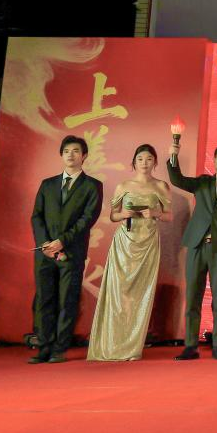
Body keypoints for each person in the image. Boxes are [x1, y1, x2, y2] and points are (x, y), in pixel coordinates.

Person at [87, 144, 171, 361]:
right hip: (124, 244)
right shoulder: (123, 186)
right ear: (133, 162)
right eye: (140, 159)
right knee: (118, 293)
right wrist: (123, 213)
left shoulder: (161, 186)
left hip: (148, 243)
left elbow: (169, 215)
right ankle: (111, 345)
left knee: (140, 295)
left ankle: (132, 347)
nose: (145, 163)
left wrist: (155, 213)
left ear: (155, 162)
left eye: (149, 159)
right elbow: (113, 215)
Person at [167, 140, 217, 361]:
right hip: (197, 245)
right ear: (214, 160)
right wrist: (173, 156)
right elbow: (177, 179)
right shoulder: (203, 182)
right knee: (193, 296)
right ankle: (190, 346)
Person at [29, 135, 103, 364]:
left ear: (84, 156)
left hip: (71, 252)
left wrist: (62, 241)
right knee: (44, 299)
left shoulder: (92, 186)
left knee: (67, 300)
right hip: (45, 253)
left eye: (76, 151)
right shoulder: (47, 184)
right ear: (61, 155)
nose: (71, 155)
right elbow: (36, 216)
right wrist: (45, 243)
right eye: (67, 151)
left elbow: (87, 219)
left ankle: (59, 349)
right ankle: (43, 346)